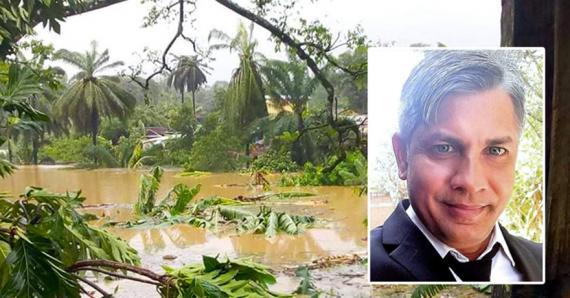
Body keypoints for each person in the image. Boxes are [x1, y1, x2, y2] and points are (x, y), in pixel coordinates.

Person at [369, 50, 543, 282]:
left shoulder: (546, 261)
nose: (471, 182)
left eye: (495, 151)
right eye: (444, 148)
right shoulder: (366, 266)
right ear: (402, 155)